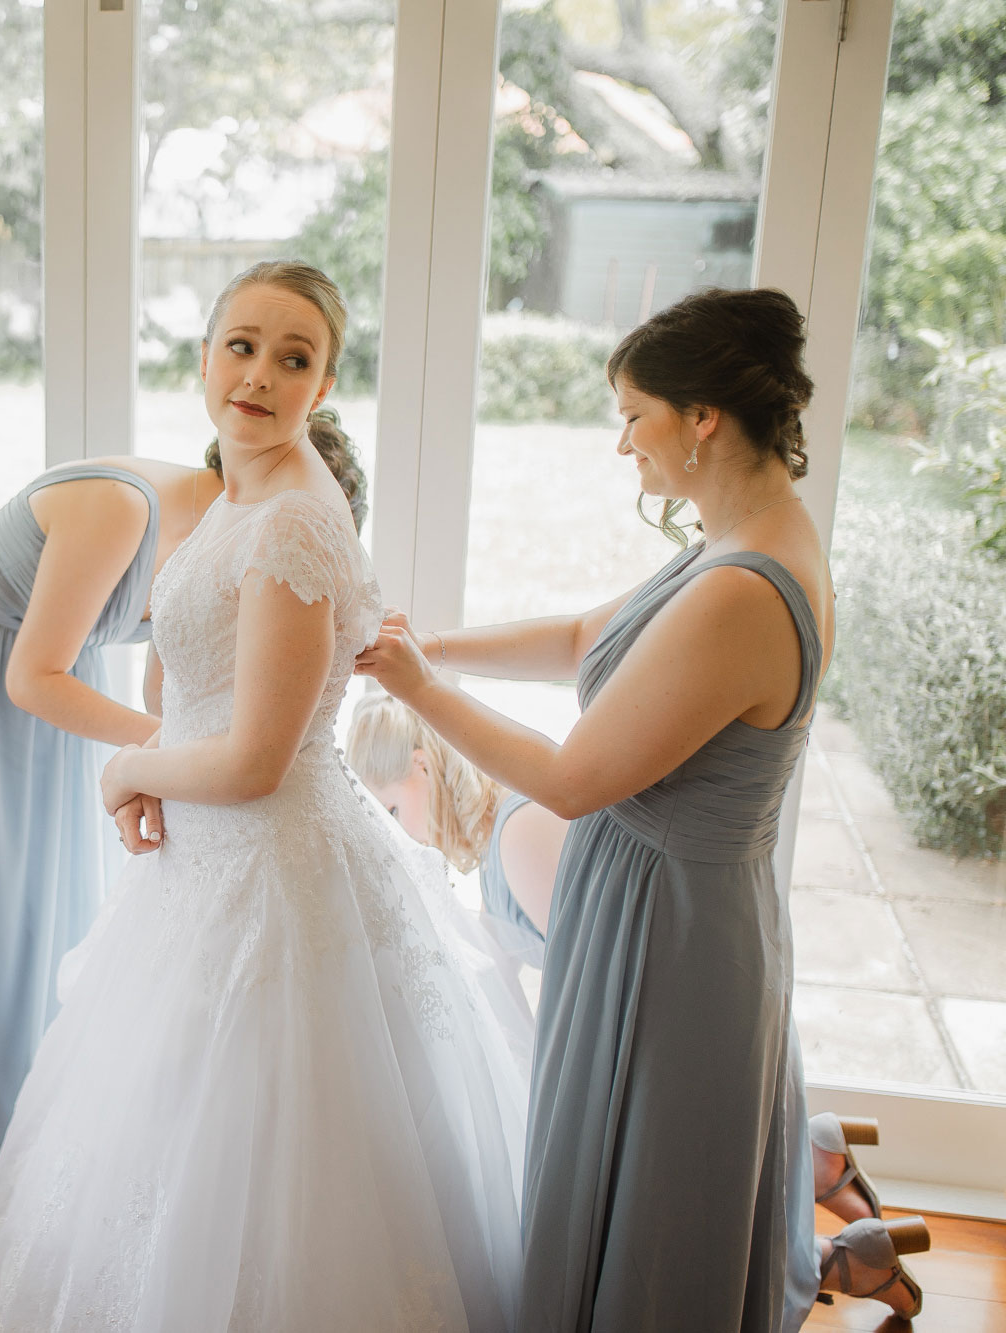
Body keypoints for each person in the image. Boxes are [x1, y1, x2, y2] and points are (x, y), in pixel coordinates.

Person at [356, 286, 928, 1329]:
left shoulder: (743, 588)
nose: (622, 444)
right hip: (662, 901)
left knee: (659, 1200)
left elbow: (572, 781)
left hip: (672, 934)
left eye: (632, 415)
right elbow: (583, 636)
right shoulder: (733, 541)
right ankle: (842, 1243)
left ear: (700, 416)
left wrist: (418, 693)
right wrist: (430, 643)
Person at [0, 261, 531, 1331]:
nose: (259, 375)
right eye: (240, 346)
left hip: (267, 870)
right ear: (202, 357)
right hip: (208, 860)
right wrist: (157, 765)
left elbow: (253, 762)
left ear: (322, 386)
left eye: (294, 358)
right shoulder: (235, 494)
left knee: (271, 1168)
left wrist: (129, 768)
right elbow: (192, 686)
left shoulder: (289, 523)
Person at [0, 404, 365, 1245]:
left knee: (49, 915)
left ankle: (12, 1142)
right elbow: (30, 675)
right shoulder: (125, 509)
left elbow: (185, 683)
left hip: (59, 693)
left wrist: (173, 747)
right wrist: (168, 752)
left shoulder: (229, 542)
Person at [348, 688, 562, 967]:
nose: (397, 834)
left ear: (422, 766)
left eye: (393, 811)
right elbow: (497, 974)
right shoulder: (493, 853)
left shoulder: (520, 831)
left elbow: (587, 969)